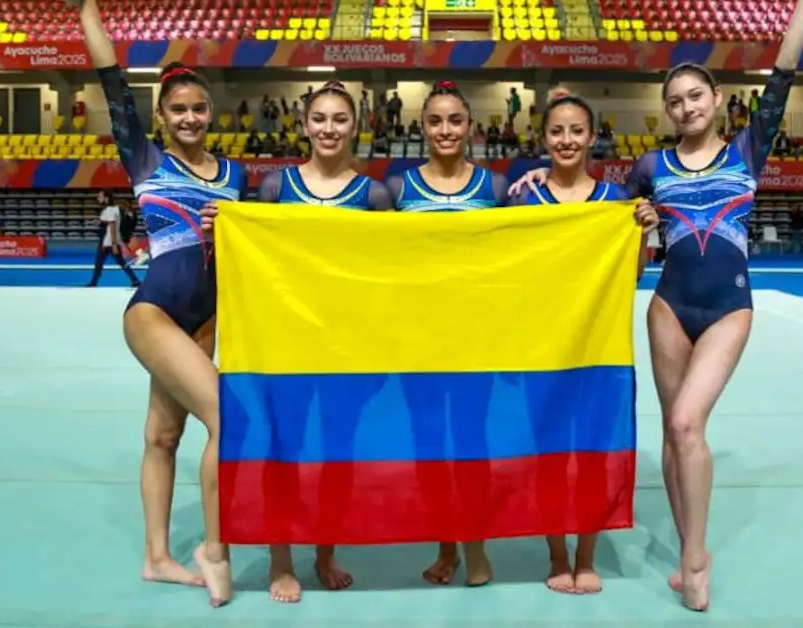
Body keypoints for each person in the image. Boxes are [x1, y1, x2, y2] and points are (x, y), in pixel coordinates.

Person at [507, 0, 803, 611]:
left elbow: (785, 70)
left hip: (728, 308)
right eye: (676, 102)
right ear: (666, 112)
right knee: (671, 429)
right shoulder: (650, 168)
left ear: (718, 98)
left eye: (697, 97)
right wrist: (535, 179)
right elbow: (593, 203)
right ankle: (687, 550)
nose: (687, 107)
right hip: (667, 306)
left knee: (690, 425)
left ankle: (695, 558)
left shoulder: (749, 150)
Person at [35, 0, 243, 608]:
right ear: (161, 117)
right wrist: (87, 7)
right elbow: (112, 84)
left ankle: (156, 557)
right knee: (225, 418)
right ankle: (216, 551)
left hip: (206, 321)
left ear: (210, 112)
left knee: (163, 435)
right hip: (154, 313)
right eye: (177, 109)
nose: (188, 118)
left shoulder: (235, 177)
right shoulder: (147, 160)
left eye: (197, 108)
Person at [202, 81, 391, 604]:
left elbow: (395, 272)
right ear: (305, 125)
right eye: (320, 119)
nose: (329, 129)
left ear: (356, 127)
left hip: (346, 349)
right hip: (283, 346)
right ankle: (281, 559)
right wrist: (224, 225)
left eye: (340, 119)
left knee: (336, 454)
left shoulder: (374, 196)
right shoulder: (274, 188)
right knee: (280, 450)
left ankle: (325, 552)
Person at [509, 90, 659, 594]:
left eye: (577, 131)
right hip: (540, 349)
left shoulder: (616, 203)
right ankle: (556, 554)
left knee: (594, 451)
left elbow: (630, 275)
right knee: (549, 453)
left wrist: (642, 235)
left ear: (592, 137)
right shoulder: (524, 196)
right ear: (543, 138)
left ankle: (588, 554)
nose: (567, 140)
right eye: (557, 131)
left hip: (598, 348)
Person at [387, 80, 508, 588]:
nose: (445, 130)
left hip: (475, 341)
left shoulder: (496, 189)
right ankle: (445, 546)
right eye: (435, 121)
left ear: (470, 127)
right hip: (420, 343)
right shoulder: (397, 190)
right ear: (422, 128)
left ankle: (476, 546)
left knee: (472, 444)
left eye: (454, 120)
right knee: (432, 447)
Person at [88, 190, 141, 288]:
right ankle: (135, 280)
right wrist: (100, 222)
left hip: (109, 242)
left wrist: (113, 244)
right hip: (109, 241)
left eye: (100, 196)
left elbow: (112, 226)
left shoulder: (110, 210)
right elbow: (110, 224)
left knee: (100, 262)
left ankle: (93, 283)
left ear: (106, 198)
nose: (98, 198)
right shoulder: (111, 209)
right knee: (117, 262)